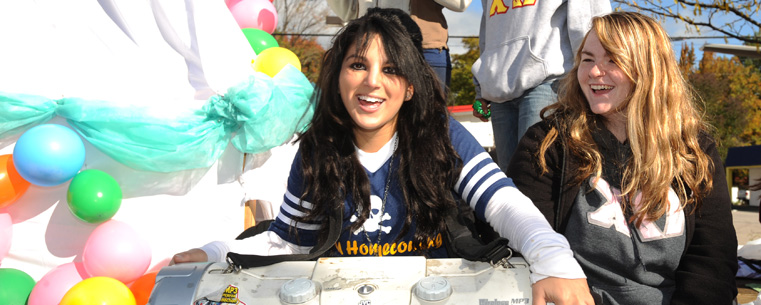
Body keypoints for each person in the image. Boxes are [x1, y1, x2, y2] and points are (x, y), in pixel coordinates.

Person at [172, 8, 594, 304]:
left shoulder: (442, 136)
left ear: (410, 86)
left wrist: (555, 261)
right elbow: (287, 240)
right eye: (357, 65)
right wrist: (214, 252)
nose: (371, 82)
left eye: (391, 69)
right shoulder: (318, 151)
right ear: (338, 76)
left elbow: (505, 204)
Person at [506, 12, 738, 304]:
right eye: (588, 59)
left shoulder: (694, 149)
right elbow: (522, 238)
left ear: (648, 68)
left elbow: (713, 259)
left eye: (612, 60)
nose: (593, 72)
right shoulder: (549, 142)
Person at [471, 0, 611, 170]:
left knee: (536, 173)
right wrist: (482, 87)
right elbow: (487, 34)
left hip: (548, 82)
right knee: (508, 183)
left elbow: (589, 21)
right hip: (499, 89)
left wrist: (593, 74)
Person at [327, 0, 472, 92]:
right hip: (368, 50)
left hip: (424, 51)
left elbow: (461, 3)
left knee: (430, 126)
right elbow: (348, 11)